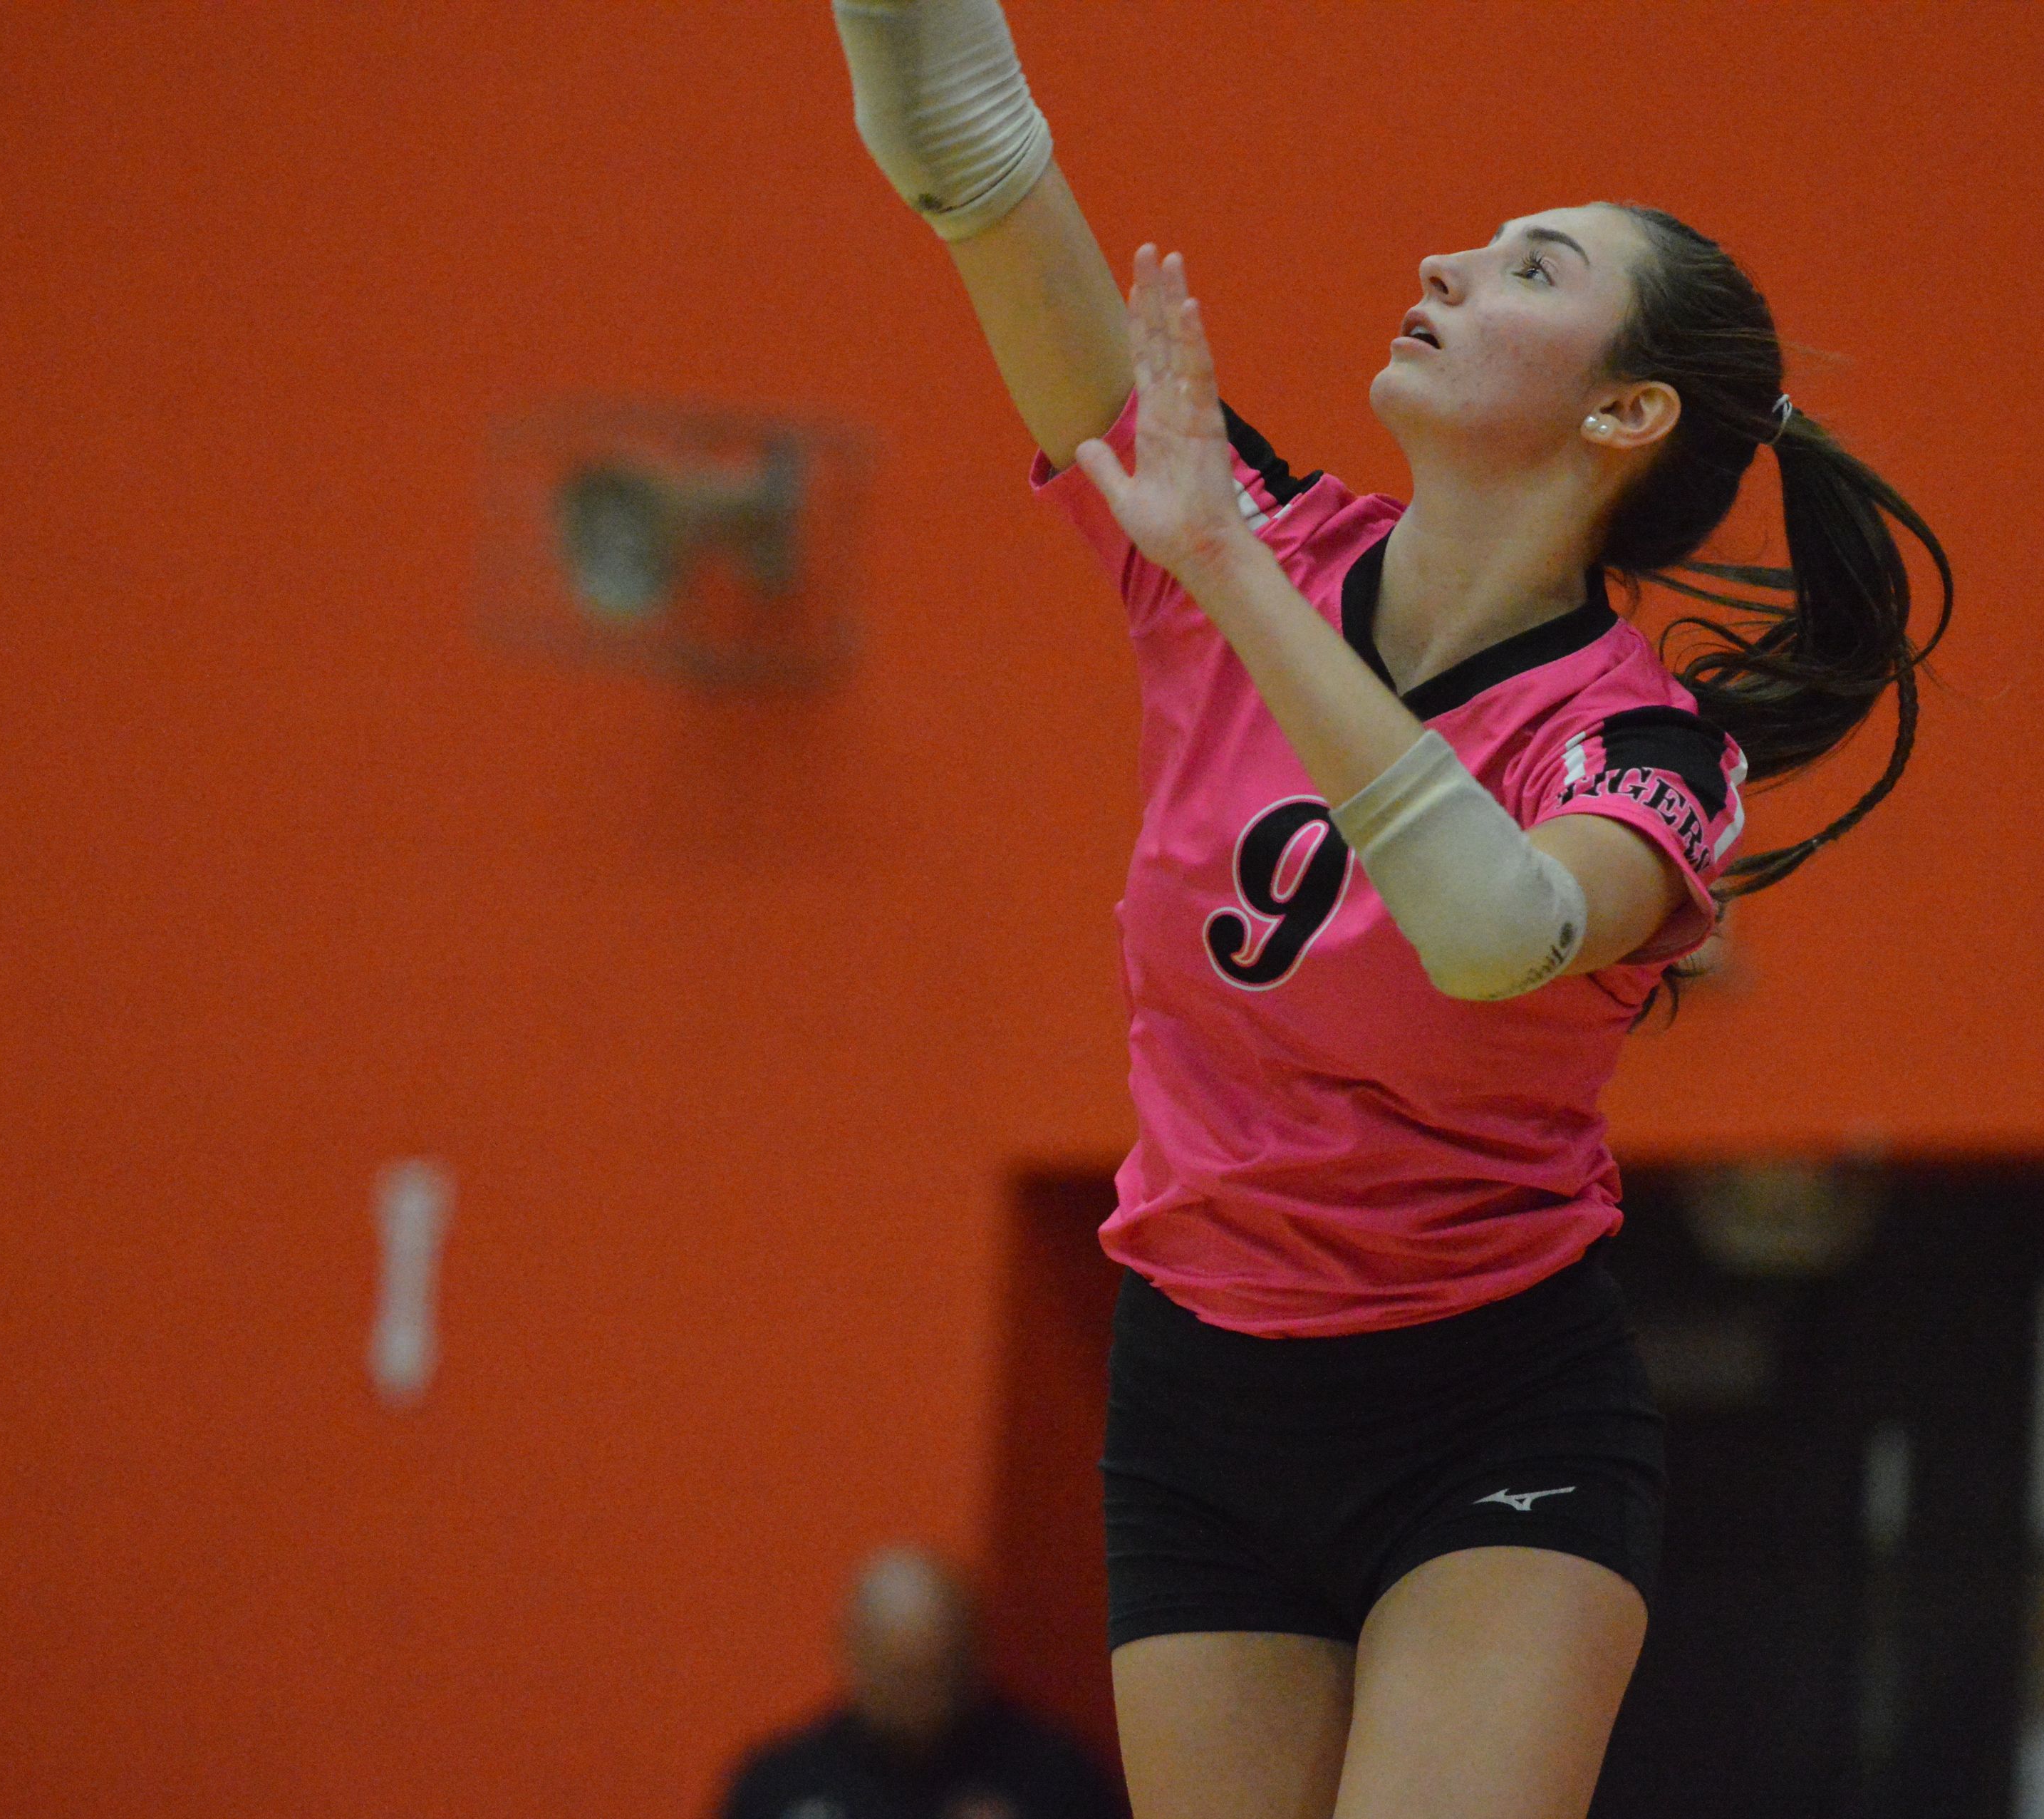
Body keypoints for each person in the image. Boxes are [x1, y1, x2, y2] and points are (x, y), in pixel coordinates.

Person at [825, 6, 1953, 1818]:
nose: (1443, 262)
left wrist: (1220, 567)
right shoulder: (1235, 531)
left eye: (1529, 266)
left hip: (1483, 1407)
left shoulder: (1636, 739)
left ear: (1624, 408)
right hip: (1199, 1384)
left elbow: (1493, 926)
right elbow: (971, 153)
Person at [716, 1546, 1121, 1819]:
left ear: (970, 1655)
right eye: (900, 1677)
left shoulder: (1052, 1779)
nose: (918, 1702)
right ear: (852, 1656)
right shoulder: (782, 1785)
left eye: (935, 1675)